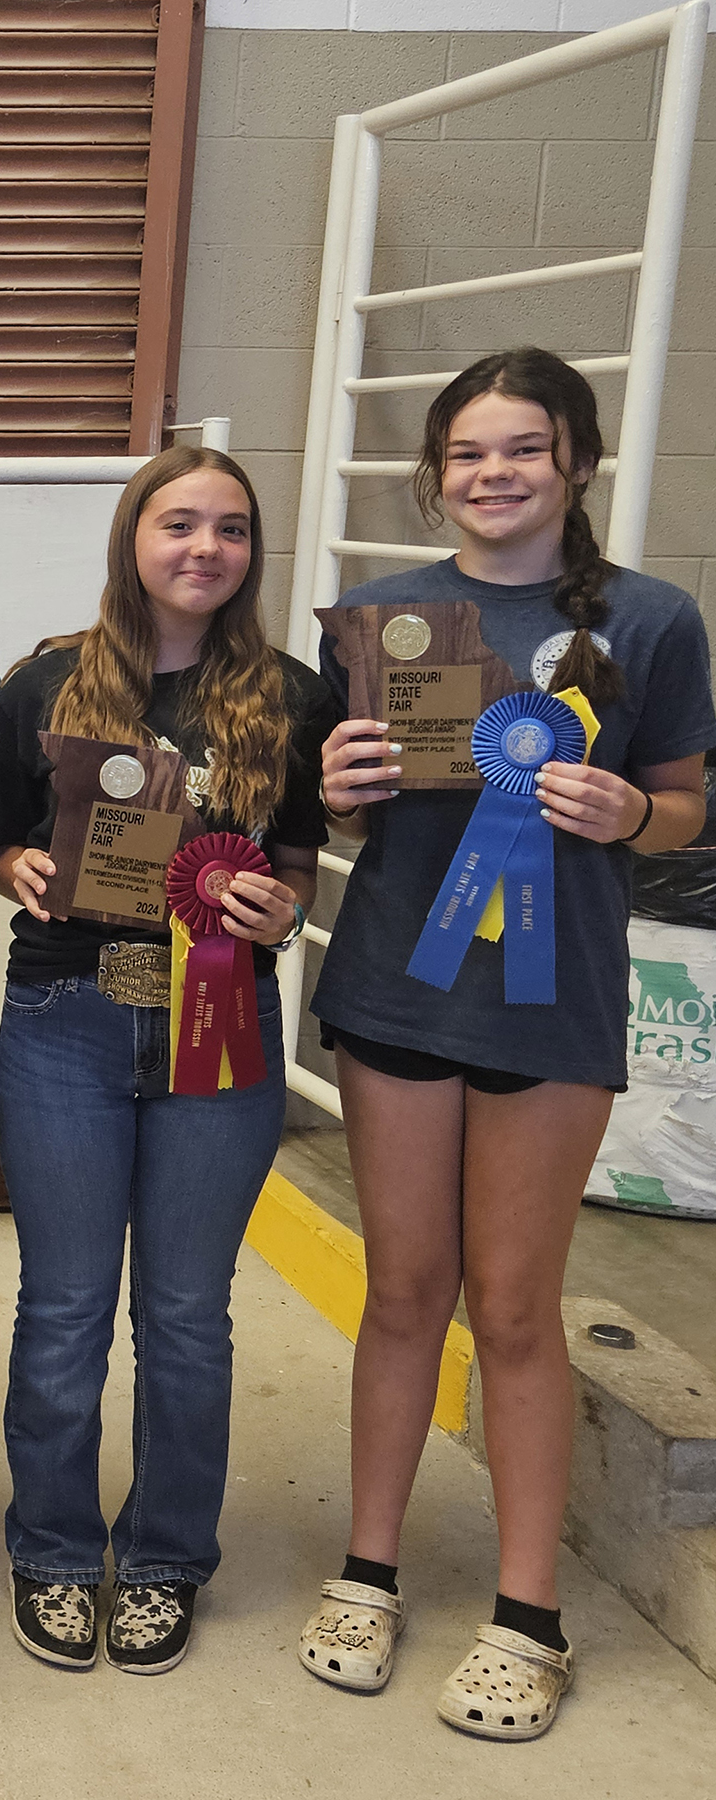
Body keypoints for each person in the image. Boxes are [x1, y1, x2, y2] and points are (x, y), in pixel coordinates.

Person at [300, 348, 715, 1740]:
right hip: (396, 995)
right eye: (470, 452)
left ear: (577, 465)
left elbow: (683, 808)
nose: (494, 474)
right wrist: (339, 789)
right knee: (404, 1292)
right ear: (438, 474)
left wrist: (624, 818)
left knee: (518, 1308)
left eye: (524, 449)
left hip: (555, 1007)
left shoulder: (653, 620)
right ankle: (369, 1571)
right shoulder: (376, 614)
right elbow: (350, 809)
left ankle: (527, 1615)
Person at [0, 445, 332, 1675]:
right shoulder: (45, 686)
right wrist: (20, 867)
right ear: (133, 536)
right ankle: (56, 1551)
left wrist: (282, 912)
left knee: (187, 1315)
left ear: (250, 553)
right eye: (179, 524)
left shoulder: (290, 694)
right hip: (65, 1022)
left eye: (231, 530)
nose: (205, 549)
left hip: (220, 1034)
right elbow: (3, 835)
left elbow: (294, 857)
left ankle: (171, 1556)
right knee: (66, 1308)